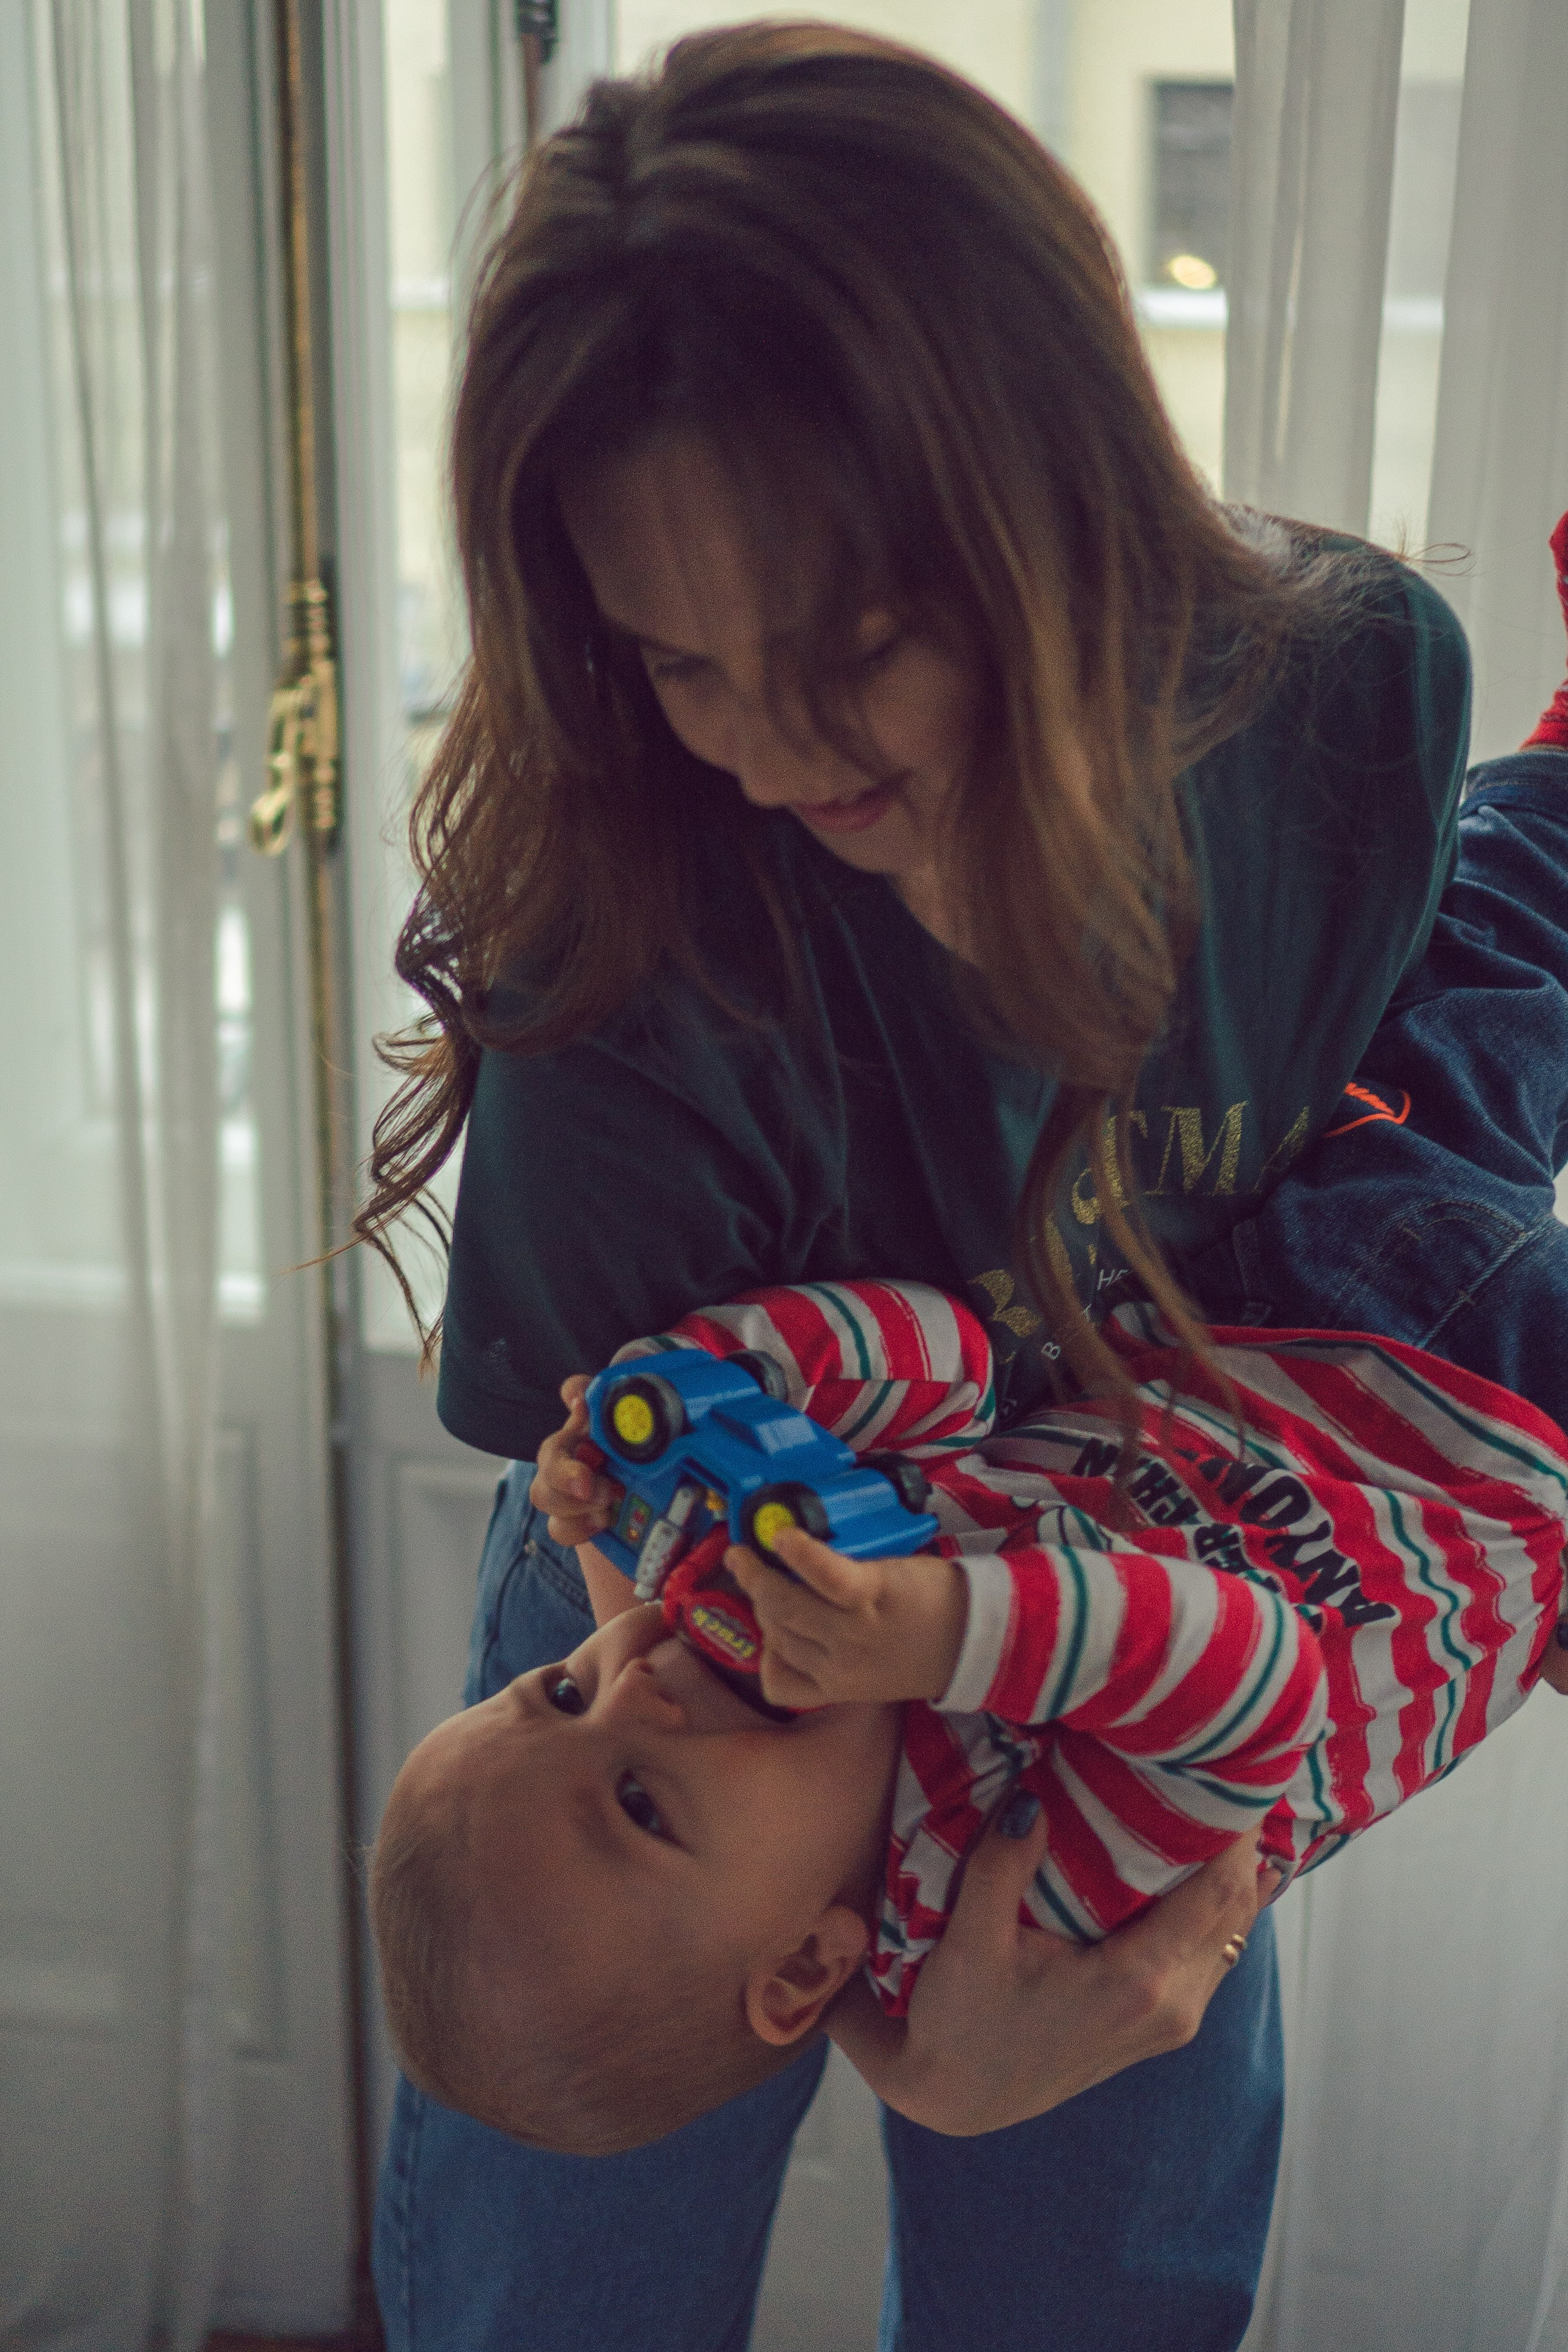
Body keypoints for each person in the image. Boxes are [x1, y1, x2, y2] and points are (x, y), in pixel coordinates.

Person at [363, 24, 1485, 2350]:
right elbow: (639, 1562)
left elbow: (1357, 1251)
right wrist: (899, 2017)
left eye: (850, 648)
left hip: (1131, 1614)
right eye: (680, 660)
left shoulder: (1353, 697)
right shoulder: (629, 914)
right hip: (686, 1610)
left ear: (1065, 509)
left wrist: (1150, 1859)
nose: (768, 751)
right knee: (560, 2288)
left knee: (1103, 2290)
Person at [371, 1256, 1566, 2157]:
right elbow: (1258, 1677)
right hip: (1498, 1427)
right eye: (638, 1802)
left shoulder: (780, 1587)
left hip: (1285, 1283)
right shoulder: (1019, 1899)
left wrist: (714, 1386)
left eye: (562, 1690)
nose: (631, 1678)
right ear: (808, 1966)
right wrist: (942, 1634)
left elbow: (954, 1362)